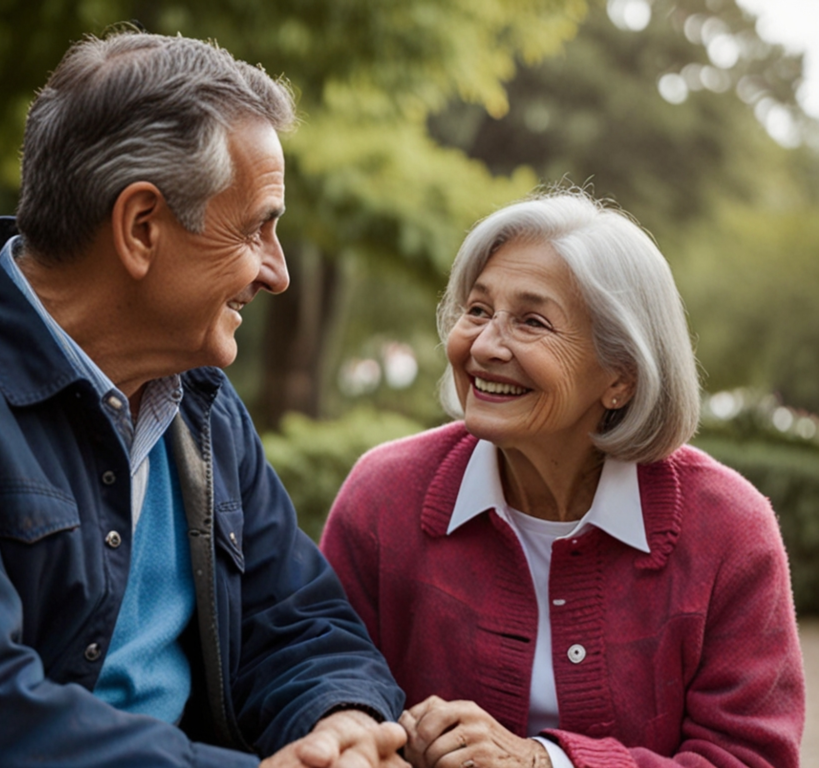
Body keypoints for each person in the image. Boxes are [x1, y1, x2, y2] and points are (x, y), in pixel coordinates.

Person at [0, 30, 408, 768]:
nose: (275, 272)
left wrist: (339, 722)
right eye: (255, 229)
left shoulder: (201, 405)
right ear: (142, 227)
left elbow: (301, 621)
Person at [320, 189, 805, 767]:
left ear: (620, 376)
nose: (484, 344)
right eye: (477, 310)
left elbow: (751, 759)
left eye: (531, 321)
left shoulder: (727, 530)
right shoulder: (385, 494)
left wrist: (544, 762)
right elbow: (329, 675)